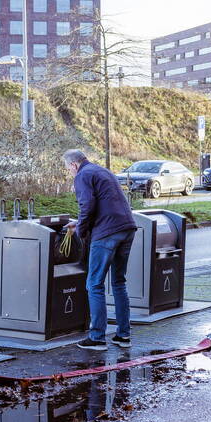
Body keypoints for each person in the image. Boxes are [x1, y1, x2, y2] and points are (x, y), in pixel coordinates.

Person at [63, 149, 136, 351]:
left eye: (68, 169)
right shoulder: (102, 171)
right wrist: (80, 223)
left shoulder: (82, 175)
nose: (69, 172)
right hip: (127, 228)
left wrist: (81, 232)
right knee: (119, 282)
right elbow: (104, 204)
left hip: (107, 233)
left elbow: (87, 205)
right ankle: (123, 335)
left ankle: (97, 338)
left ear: (74, 165)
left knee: (94, 284)